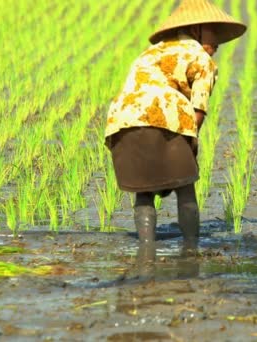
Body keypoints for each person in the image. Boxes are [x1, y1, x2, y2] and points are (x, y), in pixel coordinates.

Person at [104, 0, 246, 249]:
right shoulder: (200, 57)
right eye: (214, 33)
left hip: (122, 120)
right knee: (185, 186)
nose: (218, 44)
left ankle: (146, 253)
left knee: (144, 191)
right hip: (167, 117)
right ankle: (191, 250)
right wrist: (192, 143)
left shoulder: (150, 53)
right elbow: (198, 110)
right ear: (197, 29)